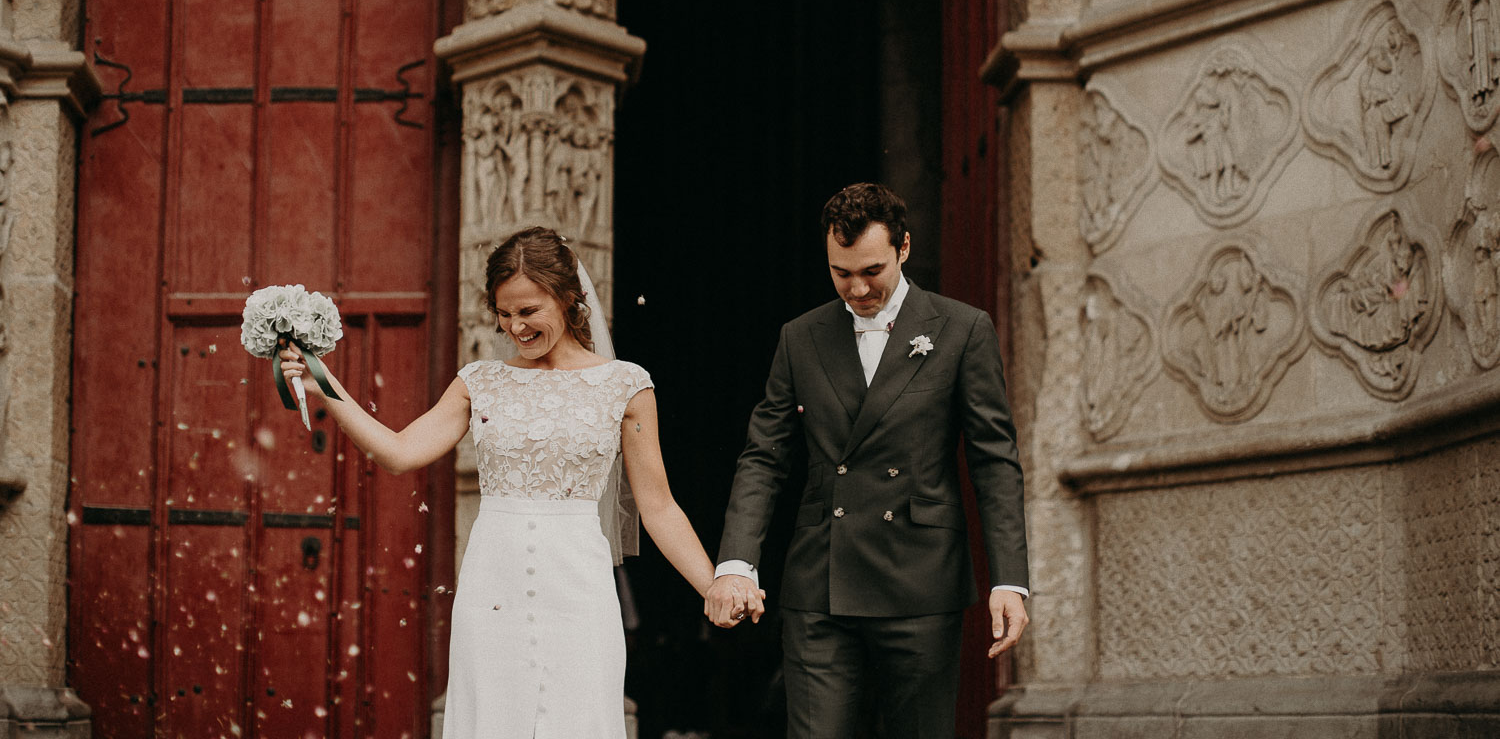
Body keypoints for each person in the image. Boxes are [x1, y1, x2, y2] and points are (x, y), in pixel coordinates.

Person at [279, 226, 721, 738]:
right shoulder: (479, 381)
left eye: (529, 311)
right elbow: (400, 453)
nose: (515, 327)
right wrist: (324, 384)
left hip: (578, 587)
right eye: (504, 313)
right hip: (492, 586)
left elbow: (659, 506)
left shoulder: (626, 384)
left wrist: (712, 584)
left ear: (570, 298)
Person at [705, 182, 1030, 739]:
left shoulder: (962, 329)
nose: (856, 288)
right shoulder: (800, 337)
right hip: (820, 584)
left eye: (871, 271)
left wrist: (1010, 581)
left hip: (920, 581)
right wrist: (736, 563)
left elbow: (994, 460)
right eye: (840, 273)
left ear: (904, 249)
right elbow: (765, 455)